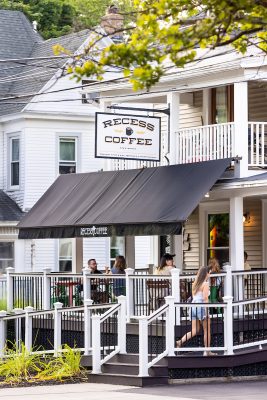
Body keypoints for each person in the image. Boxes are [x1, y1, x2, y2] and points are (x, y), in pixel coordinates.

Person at [176, 266, 216, 356]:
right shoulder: (205, 284)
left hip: (193, 307)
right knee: (207, 330)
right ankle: (207, 351)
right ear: (206, 273)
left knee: (195, 330)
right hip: (201, 307)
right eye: (209, 273)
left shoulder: (195, 283)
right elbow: (205, 299)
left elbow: (195, 297)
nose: (209, 275)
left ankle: (179, 341)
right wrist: (207, 312)